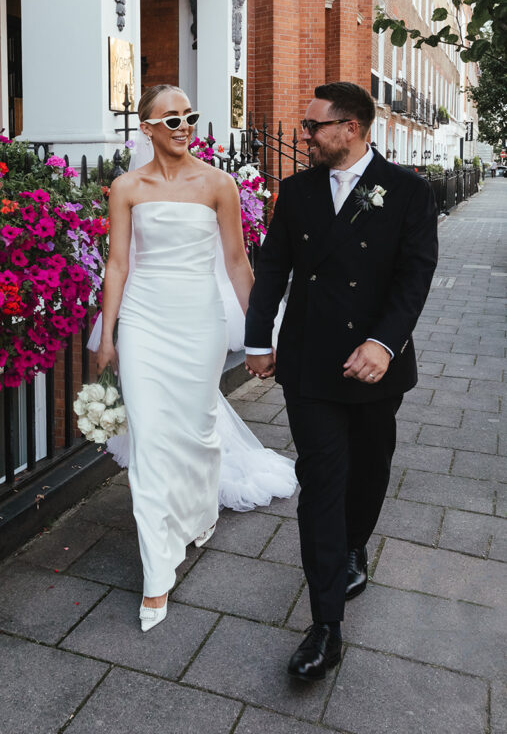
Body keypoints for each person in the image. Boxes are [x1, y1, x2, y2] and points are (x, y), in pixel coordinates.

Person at [245, 82, 438, 681]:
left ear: (350, 127)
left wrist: (384, 343)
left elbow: (415, 276)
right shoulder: (297, 191)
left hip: (376, 363)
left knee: (371, 466)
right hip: (309, 363)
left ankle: (356, 545)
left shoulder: (407, 191)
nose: (304, 136)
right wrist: (257, 339)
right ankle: (325, 624)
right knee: (322, 481)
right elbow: (273, 264)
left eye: (312, 127)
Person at [96, 84, 296, 633]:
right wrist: (109, 333)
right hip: (143, 320)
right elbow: (117, 264)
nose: (184, 126)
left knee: (199, 429)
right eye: (172, 118)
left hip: (200, 321)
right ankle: (157, 572)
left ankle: (199, 512)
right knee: (151, 438)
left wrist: (261, 335)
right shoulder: (126, 187)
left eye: (191, 117)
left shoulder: (219, 184)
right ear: (147, 129)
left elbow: (235, 261)